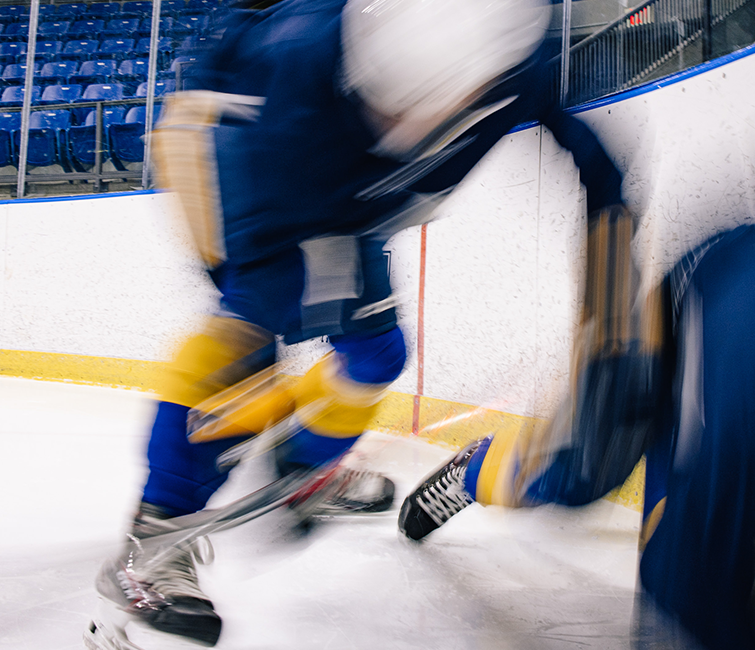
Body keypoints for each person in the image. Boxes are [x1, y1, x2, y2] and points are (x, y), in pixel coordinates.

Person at [87, 0, 628, 645]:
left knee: (376, 354)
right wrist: (256, 347)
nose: (402, 123)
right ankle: (152, 534)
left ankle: (305, 468)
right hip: (236, 142)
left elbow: (595, 164)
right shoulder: (304, 63)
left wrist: (613, 284)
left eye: (421, 109)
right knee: (241, 350)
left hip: (344, 188)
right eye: (384, 103)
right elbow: (256, 250)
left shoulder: (509, 51)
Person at [399, 218, 755, 649]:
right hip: (676, 332)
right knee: (585, 476)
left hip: (742, 295)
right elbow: (682, 581)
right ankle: (479, 468)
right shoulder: (754, 401)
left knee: (704, 536)